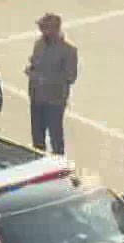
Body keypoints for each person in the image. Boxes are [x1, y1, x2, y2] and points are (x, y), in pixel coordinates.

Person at [27, 14, 79, 154]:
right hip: (36, 97)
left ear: (54, 29)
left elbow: (70, 77)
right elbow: (35, 63)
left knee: (55, 137)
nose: (41, 29)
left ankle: (58, 166)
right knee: (37, 137)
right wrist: (32, 70)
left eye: (44, 27)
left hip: (54, 100)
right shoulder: (39, 44)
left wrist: (44, 78)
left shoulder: (68, 51)